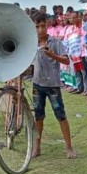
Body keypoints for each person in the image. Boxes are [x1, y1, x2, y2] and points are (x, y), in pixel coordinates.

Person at [29, 12, 76, 159]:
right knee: (38, 117)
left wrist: (52, 55)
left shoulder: (55, 42)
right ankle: (37, 147)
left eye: (43, 26)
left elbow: (67, 61)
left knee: (60, 115)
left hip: (53, 86)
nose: (40, 30)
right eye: (37, 27)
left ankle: (69, 147)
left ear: (47, 25)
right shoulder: (31, 44)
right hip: (37, 84)